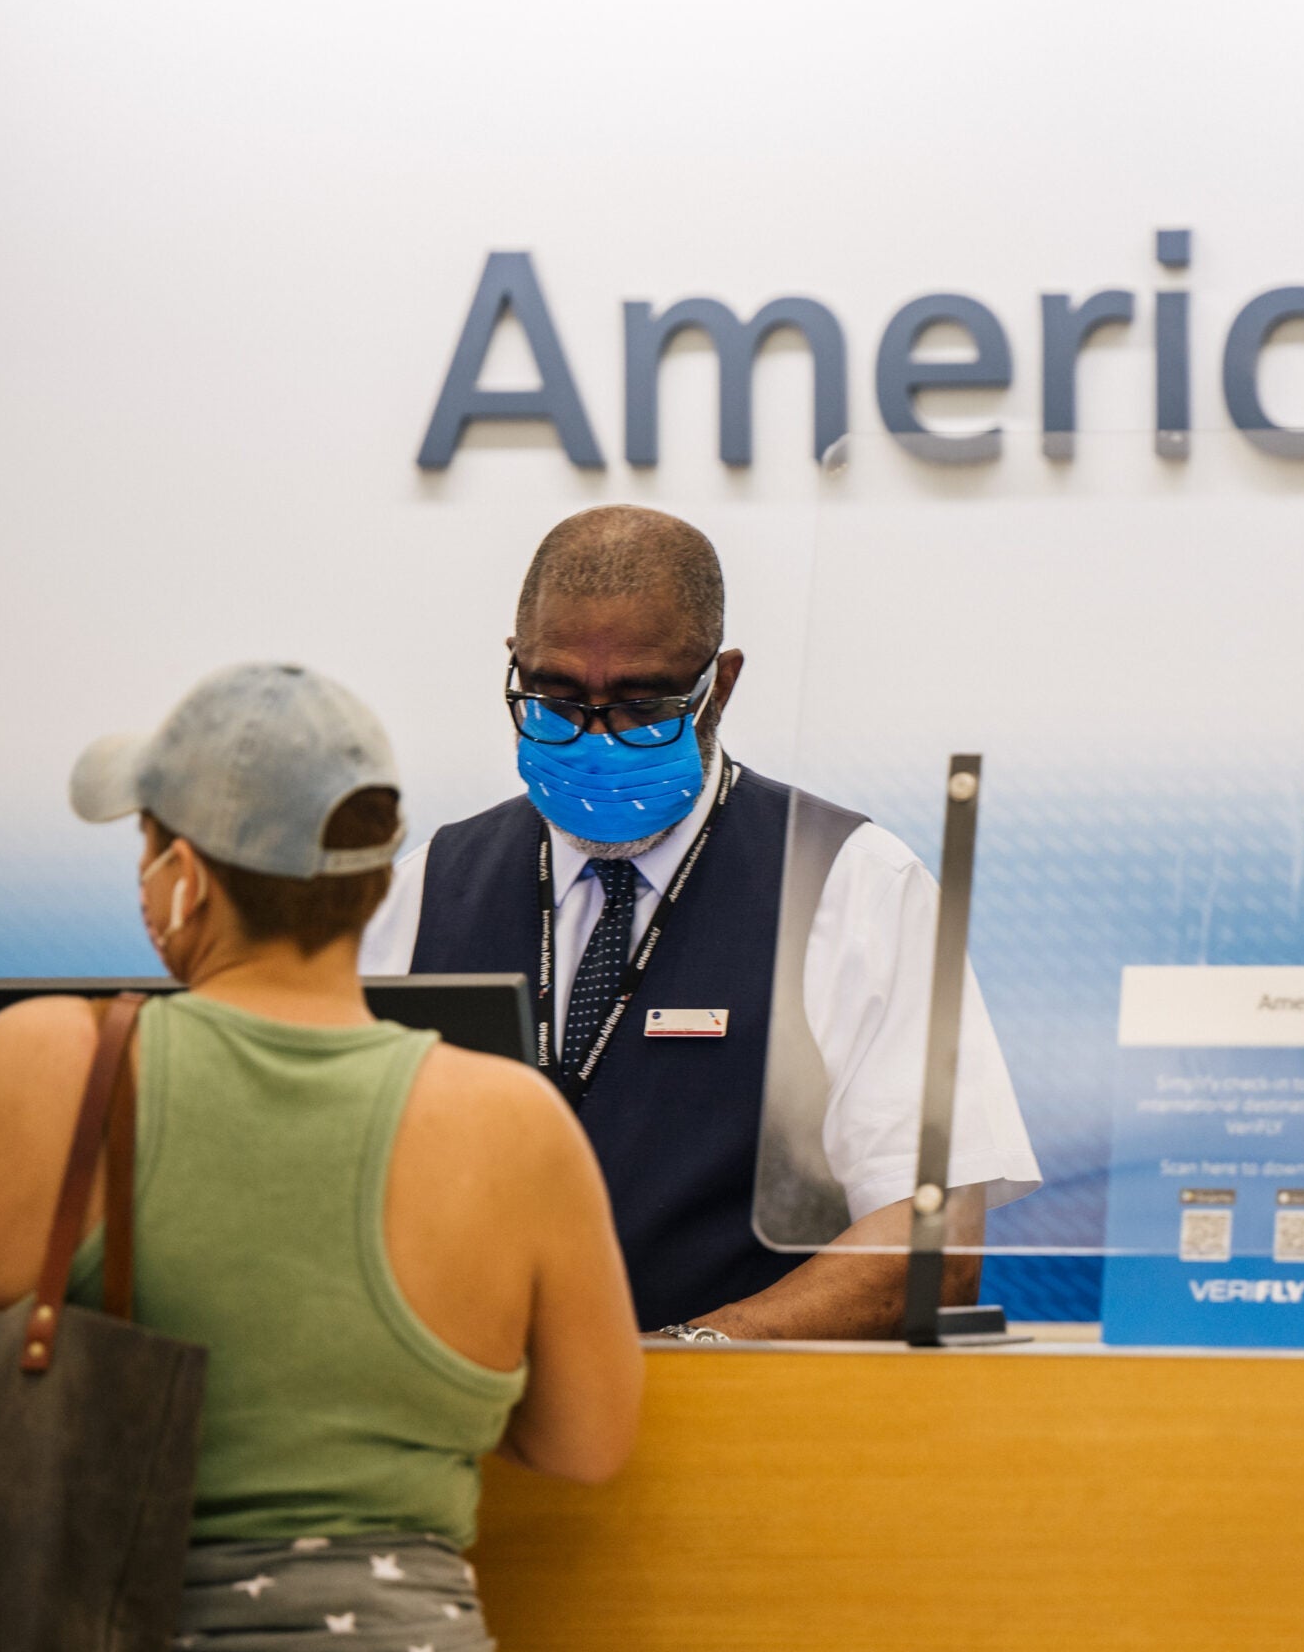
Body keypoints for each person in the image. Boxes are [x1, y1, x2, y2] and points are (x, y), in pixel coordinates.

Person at [0, 661, 641, 1652]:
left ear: (186, 876)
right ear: (374, 875)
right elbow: (586, 1441)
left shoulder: (39, 1062)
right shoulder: (514, 1124)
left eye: (145, 846)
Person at [363, 506, 1040, 1340]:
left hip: (743, 1408)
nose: (596, 736)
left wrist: (694, 1355)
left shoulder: (852, 886)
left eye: (641, 705)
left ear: (720, 683)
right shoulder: (421, 890)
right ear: (515, 660)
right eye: (556, 698)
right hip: (470, 1406)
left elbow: (932, 1245)